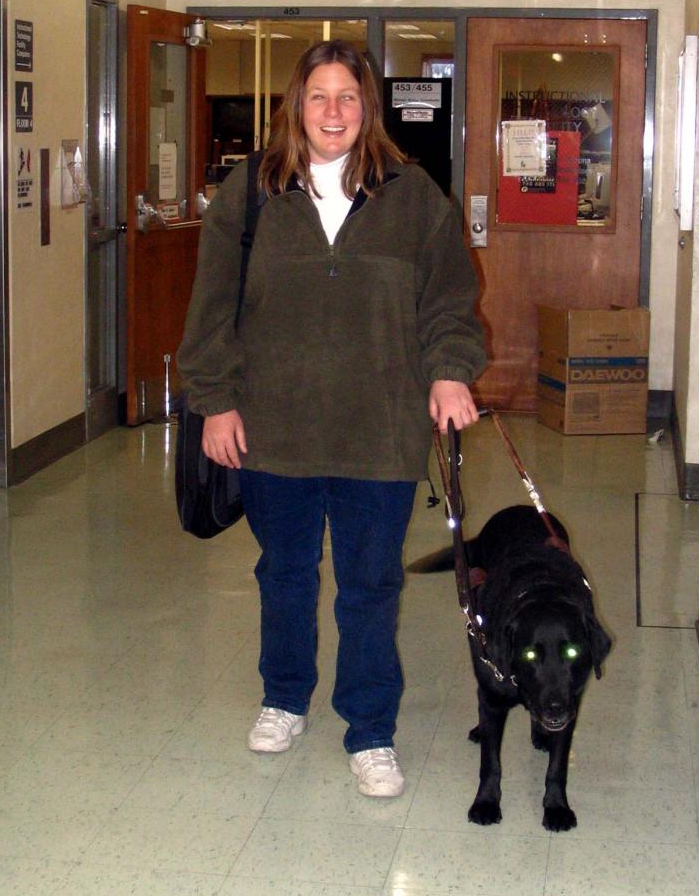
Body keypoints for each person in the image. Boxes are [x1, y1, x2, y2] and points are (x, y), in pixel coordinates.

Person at [177, 40, 486, 798]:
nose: (334, 112)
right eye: (319, 96)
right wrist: (215, 400)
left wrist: (449, 371)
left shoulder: (413, 197)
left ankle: (371, 729)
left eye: (348, 97)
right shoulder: (249, 192)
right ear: (296, 105)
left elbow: (449, 298)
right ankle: (283, 697)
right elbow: (211, 309)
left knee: (369, 584)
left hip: (378, 432)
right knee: (283, 573)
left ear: (368, 108)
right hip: (273, 429)